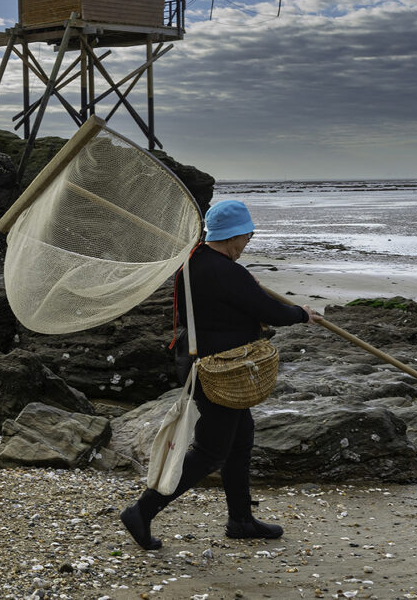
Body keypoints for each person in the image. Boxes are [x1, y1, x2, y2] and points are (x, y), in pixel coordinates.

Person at [120, 199, 321, 550]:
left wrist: (247, 285)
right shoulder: (225, 271)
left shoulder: (194, 261)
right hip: (221, 370)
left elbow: (226, 305)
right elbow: (269, 312)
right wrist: (300, 314)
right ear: (235, 236)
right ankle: (142, 511)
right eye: (247, 237)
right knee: (211, 451)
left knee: (241, 438)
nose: (247, 244)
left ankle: (240, 520)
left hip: (208, 363)